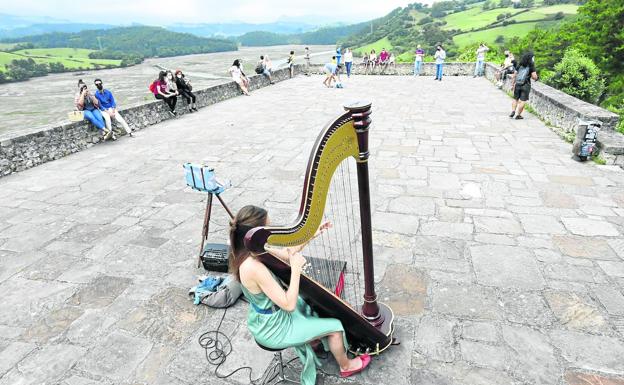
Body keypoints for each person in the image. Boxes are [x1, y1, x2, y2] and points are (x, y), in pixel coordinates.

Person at [229, 205, 372, 385]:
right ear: (255, 232)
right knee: (336, 326)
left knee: (309, 304)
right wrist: (296, 269)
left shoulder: (247, 250)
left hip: (264, 316)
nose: (270, 231)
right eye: (267, 228)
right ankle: (346, 366)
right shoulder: (253, 267)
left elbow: (289, 254)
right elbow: (288, 305)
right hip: (274, 327)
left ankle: (315, 342)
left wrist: (314, 233)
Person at [510, 51, 538, 120]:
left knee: (515, 99)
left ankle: (513, 111)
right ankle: (518, 115)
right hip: (526, 85)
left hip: (518, 84)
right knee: (523, 101)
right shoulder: (531, 66)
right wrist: (537, 78)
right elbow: (534, 76)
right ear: (531, 58)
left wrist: (512, 84)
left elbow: (514, 75)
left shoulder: (520, 64)